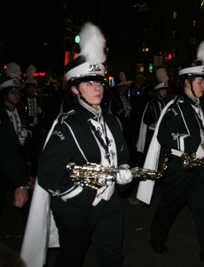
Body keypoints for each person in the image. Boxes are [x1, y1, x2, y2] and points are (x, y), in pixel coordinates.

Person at [21, 23, 133, 267]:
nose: (97, 88)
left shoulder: (113, 121)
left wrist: (124, 171)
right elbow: (48, 174)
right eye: (89, 83)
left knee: (113, 257)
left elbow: (122, 153)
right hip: (77, 207)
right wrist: (85, 195)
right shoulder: (66, 125)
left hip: (110, 203)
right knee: (71, 259)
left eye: (99, 82)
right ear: (74, 88)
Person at [136, 40, 204, 265]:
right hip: (180, 169)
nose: (203, 85)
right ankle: (155, 239)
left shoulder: (201, 107)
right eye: (199, 80)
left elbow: (203, 135)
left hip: (200, 170)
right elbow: (164, 136)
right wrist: (190, 144)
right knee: (169, 208)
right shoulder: (175, 106)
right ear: (187, 82)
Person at [0, 62, 29, 222]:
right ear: (4, 94)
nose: (17, 95)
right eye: (12, 92)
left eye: (18, 91)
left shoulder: (19, 109)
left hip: (17, 158)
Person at [136, 68, 168, 157]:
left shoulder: (166, 103)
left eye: (165, 90)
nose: (165, 92)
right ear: (158, 91)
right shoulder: (152, 103)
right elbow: (147, 120)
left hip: (162, 134)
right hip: (152, 134)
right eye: (163, 90)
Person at [20, 65, 44, 178]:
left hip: (35, 129)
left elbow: (43, 115)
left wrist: (40, 113)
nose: (32, 90)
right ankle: (23, 175)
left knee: (35, 153)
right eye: (30, 87)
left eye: (33, 87)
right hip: (26, 128)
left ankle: (34, 175)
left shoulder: (38, 99)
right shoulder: (22, 100)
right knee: (24, 154)